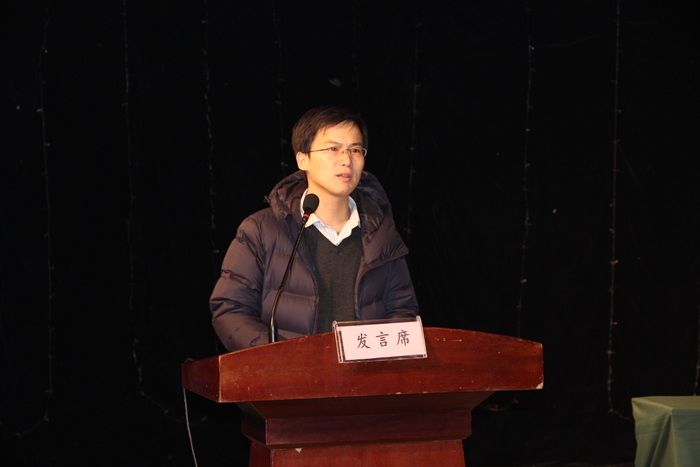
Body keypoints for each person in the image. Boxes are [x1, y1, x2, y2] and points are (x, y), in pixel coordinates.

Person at [210, 105, 418, 351]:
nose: (346, 160)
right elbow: (231, 309)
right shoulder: (261, 230)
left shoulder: (380, 232)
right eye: (333, 149)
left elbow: (403, 311)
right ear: (303, 159)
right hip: (289, 373)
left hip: (364, 374)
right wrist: (280, 358)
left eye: (355, 150)